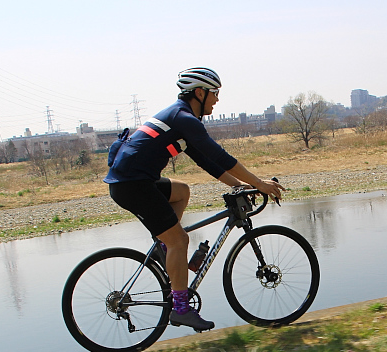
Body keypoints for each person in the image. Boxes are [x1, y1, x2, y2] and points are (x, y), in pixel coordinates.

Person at [104, 67, 284, 332]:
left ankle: (164, 248)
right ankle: (181, 309)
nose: (217, 100)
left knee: (182, 192)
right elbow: (220, 156)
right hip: (133, 185)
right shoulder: (184, 119)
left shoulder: (181, 118)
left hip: (134, 181)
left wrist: (241, 186)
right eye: (214, 94)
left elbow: (208, 163)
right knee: (181, 240)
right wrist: (258, 183)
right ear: (199, 93)